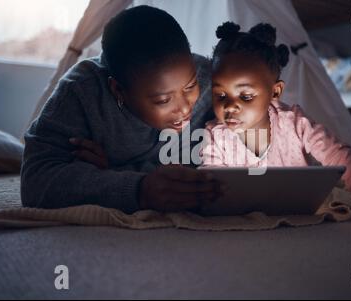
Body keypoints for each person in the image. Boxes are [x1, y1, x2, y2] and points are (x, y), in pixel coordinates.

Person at [200, 22, 351, 231]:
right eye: (220, 94)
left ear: (275, 92)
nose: (230, 106)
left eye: (246, 96)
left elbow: (341, 157)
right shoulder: (215, 134)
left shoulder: (294, 122)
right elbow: (212, 182)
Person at [21, 6, 221, 214]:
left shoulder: (211, 80)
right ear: (118, 90)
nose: (184, 107)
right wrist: (139, 190)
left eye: (190, 87)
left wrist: (112, 172)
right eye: (163, 100)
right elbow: (34, 182)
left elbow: (246, 156)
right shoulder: (81, 92)